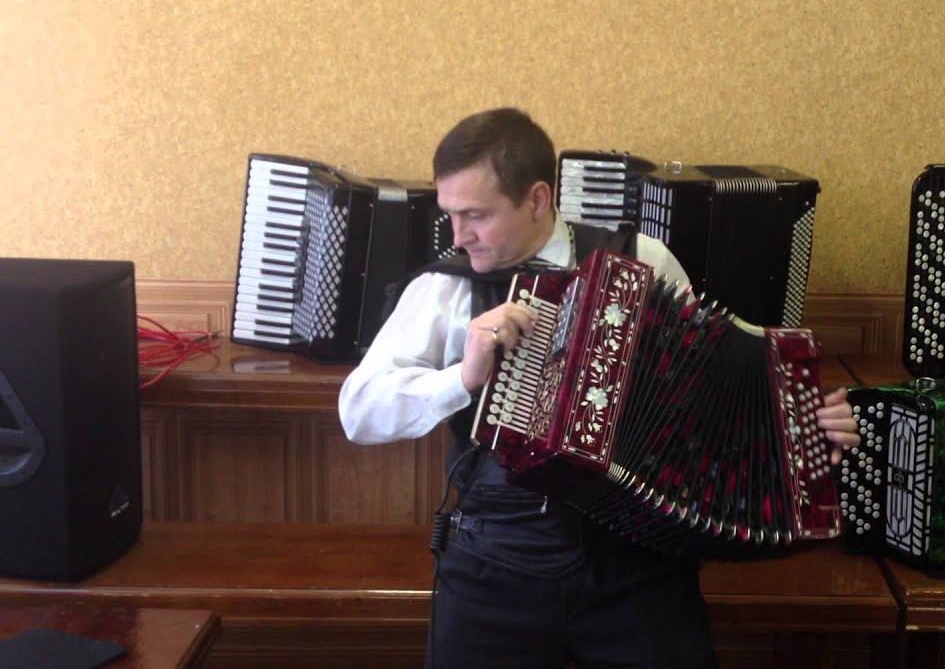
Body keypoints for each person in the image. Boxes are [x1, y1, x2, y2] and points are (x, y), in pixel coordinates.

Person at [338, 107, 859, 669]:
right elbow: (359, 411)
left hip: (638, 566)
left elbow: (711, 391)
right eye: (451, 214)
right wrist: (462, 377)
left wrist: (802, 426)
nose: (459, 236)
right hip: (499, 562)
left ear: (538, 199)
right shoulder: (446, 289)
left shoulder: (641, 259)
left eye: (476, 215)